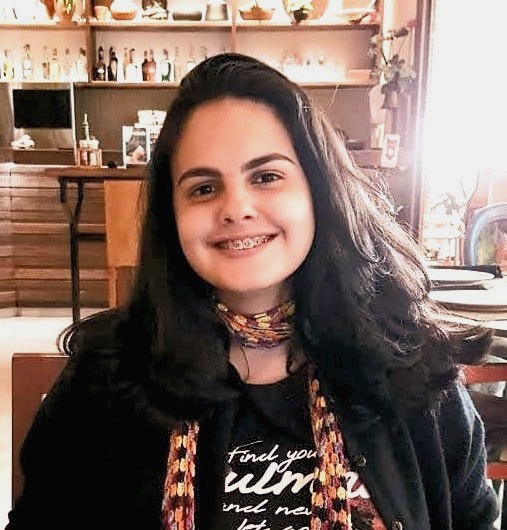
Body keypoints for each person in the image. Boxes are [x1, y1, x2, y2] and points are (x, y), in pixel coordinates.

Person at [7, 53, 498, 530]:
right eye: (203, 188)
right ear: (171, 217)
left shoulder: (412, 365)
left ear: (318, 192)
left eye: (266, 176)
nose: (236, 208)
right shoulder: (104, 378)